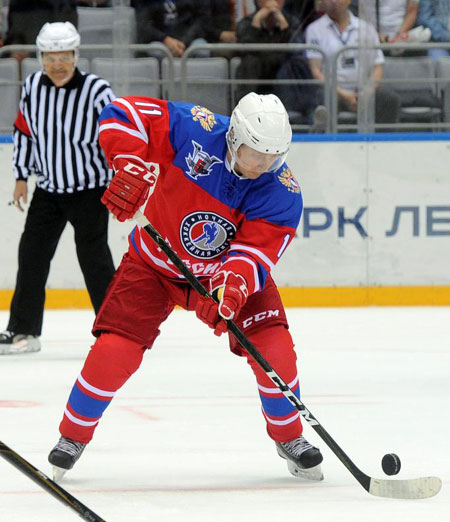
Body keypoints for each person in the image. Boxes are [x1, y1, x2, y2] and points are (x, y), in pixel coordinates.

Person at [47, 92, 324, 482]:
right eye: (254, 153)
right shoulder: (195, 127)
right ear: (233, 137)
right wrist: (128, 162)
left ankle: (289, 436)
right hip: (152, 265)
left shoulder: (281, 191)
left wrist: (233, 286)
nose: (263, 165)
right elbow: (122, 112)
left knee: (275, 351)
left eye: (273, 156)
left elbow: (255, 253)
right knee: (114, 351)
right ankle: (72, 436)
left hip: (220, 278)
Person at [0, 22, 116, 355]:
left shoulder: (97, 90)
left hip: (90, 190)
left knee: (95, 260)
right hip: (48, 190)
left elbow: (116, 136)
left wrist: (120, 178)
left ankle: (114, 330)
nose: (57, 64)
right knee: (31, 256)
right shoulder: (33, 85)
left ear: (75, 54)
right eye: (50, 57)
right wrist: (21, 176)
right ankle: (23, 331)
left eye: (64, 56)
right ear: (41, 57)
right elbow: (24, 131)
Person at [305, 0, 401, 123]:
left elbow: (377, 68)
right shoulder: (314, 29)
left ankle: (384, 144)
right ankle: (325, 143)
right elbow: (316, 72)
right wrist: (345, 95)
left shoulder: (366, 28)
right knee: (321, 101)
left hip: (362, 89)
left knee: (390, 99)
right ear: (322, 2)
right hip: (333, 91)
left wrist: (365, 93)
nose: (333, 0)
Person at [235, 0, 300, 98]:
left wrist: (282, 22)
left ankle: (291, 110)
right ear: (259, 0)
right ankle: (247, 104)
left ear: (283, 0)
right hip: (257, 73)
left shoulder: (292, 21)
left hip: (280, 72)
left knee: (292, 63)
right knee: (250, 61)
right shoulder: (246, 22)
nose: (272, 1)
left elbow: (294, 48)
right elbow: (245, 49)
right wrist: (257, 20)